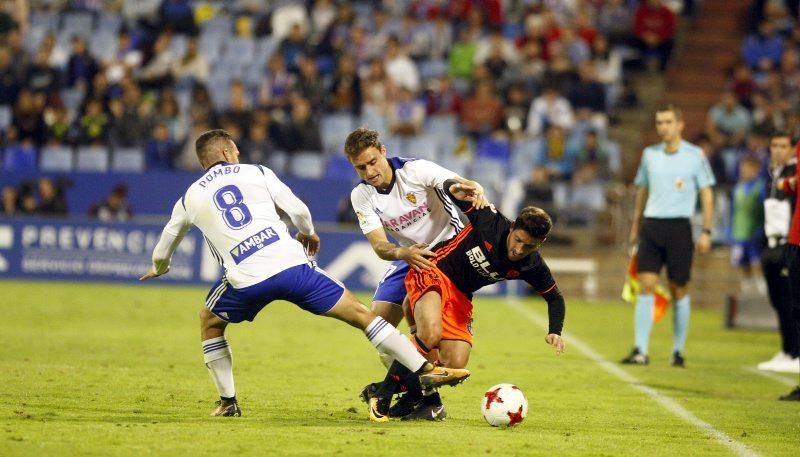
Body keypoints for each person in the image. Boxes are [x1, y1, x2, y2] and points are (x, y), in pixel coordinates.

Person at [140, 129, 468, 417]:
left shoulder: (189, 197)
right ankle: (424, 368)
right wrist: (308, 233)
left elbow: (164, 245)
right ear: (227, 153)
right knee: (363, 315)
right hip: (293, 266)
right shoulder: (256, 172)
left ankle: (228, 403)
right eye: (235, 151)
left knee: (210, 322)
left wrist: (160, 269)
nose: (239, 154)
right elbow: (297, 209)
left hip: (245, 279)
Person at [365, 180, 566, 422]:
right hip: (433, 269)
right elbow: (451, 189)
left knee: (455, 364)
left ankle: (416, 396)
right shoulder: (491, 221)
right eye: (518, 240)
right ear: (513, 227)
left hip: (461, 295)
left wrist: (555, 330)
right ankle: (383, 394)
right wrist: (465, 187)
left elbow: (554, 297)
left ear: (540, 244)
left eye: (528, 246)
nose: (518, 249)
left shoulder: (532, 265)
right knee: (430, 335)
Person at [346, 127, 489, 420]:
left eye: (373, 162)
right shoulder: (361, 195)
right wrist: (403, 253)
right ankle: (424, 397)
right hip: (409, 256)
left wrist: (468, 186)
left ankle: (397, 391)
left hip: (449, 254)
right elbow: (380, 245)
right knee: (378, 325)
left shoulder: (415, 170)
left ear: (383, 151)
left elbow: (452, 183)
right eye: (361, 167)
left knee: (445, 350)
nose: (369, 171)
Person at [622, 105, 715, 367]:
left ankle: (678, 351)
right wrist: (635, 225)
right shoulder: (649, 155)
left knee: (679, 289)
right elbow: (642, 191)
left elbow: (707, 193)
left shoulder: (695, 155)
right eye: (659, 122)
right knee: (646, 285)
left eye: (667, 122)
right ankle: (640, 349)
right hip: (652, 226)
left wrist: (706, 231)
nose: (662, 127)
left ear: (680, 124)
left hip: (679, 228)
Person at [758, 132, 799, 373]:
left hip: (789, 243)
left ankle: (796, 352)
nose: (777, 150)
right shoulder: (773, 174)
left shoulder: (794, 173)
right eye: (773, 145)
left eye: (783, 146)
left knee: (790, 300)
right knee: (778, 300)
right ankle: (787, 350)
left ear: (792, 149)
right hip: (771, 244)